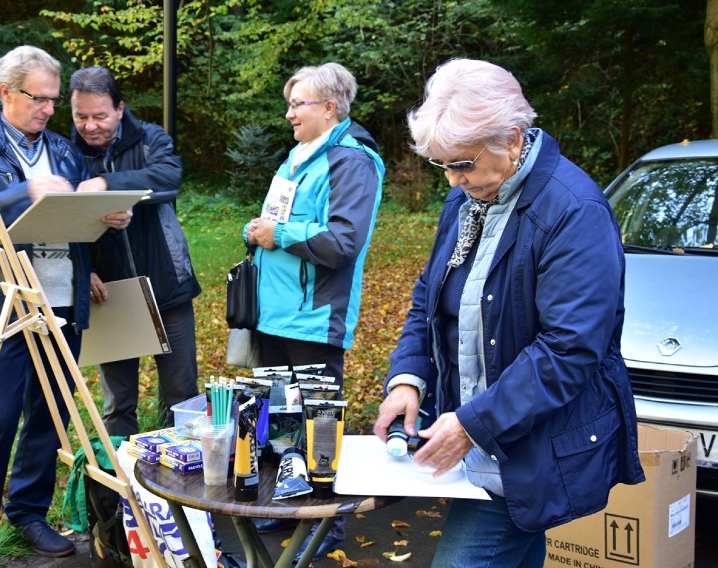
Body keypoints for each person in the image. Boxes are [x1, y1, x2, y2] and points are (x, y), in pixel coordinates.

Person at [372, 58, 645, 567]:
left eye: (463, 164)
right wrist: (407, 378)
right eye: (444, 165)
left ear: (513, 138)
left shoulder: (573, 211)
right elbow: (428, 300)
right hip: (487, 443)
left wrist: (473, 424)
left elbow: (569, 350)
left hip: (526, 449)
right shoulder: (470, 199)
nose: (452, 181)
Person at [0, 46, 131, 568]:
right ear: (7, 92)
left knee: (50, 412)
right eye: (39, 98)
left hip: (62, 299)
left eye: (52, 99)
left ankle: (27, 511)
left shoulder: (64, 150)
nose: (49, 108)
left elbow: (67, 221)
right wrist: (23, 190)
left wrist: (101, 221)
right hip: (6, 301)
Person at [244, 62, 384, 561]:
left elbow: (344, 241)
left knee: (317, 422)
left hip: (313, 318)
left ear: (329, 108)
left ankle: (327, 529)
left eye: (297, 104)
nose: (288, 115)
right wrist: (257, 231)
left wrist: (277, 235)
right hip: (273, 314)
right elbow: (279, 222)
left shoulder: (351, 161)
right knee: (276, 416)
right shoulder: (298, 157)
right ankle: (281, 506)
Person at [68, 66, 202, 433]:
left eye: (99, 116)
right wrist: (84, 270)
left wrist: (107, 184)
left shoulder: (150, 140)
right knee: (117, 405)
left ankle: (178, 482)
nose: (90, 126)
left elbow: (167, 178)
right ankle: (118, 487)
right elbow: (60, 219)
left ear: (120, 109)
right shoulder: (65, 153)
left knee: (181, 397)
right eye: (81, 116)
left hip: (166, 285)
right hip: (108, 293)